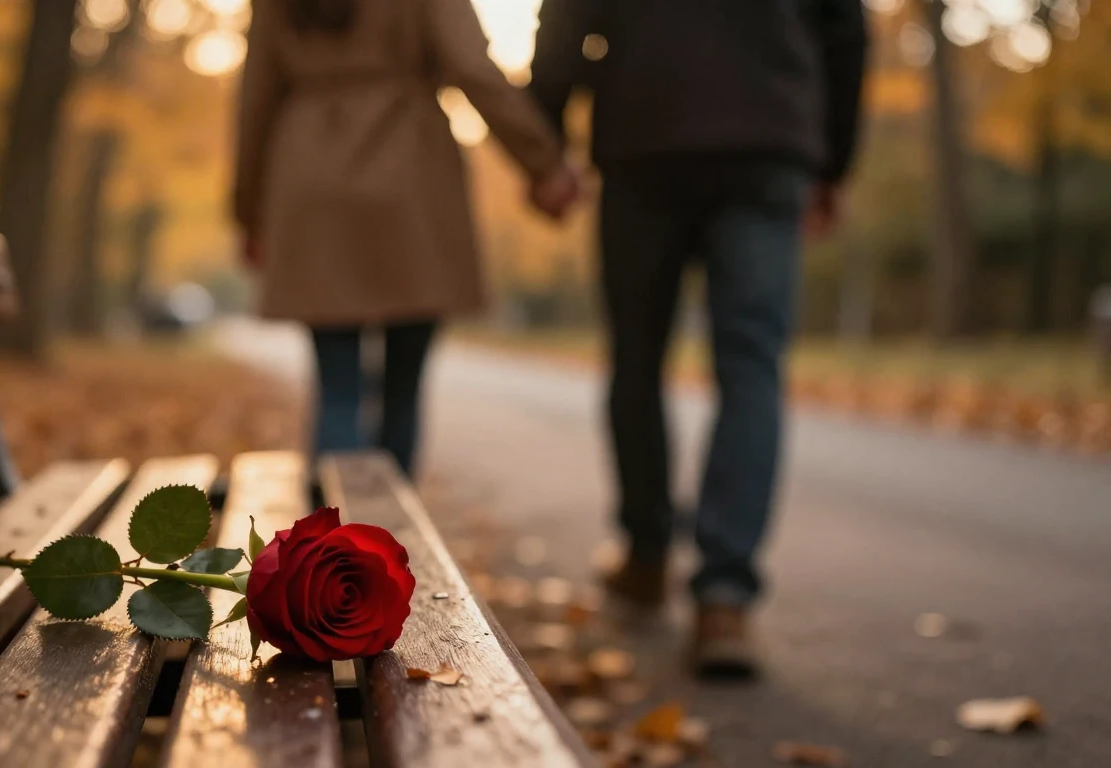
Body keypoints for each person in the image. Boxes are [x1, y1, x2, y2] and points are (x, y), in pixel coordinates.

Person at [528, 0, 868, 677]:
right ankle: (724, 597)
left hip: (646, 129)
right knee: (751, 365)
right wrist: (832, 161)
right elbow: (845, 30)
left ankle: (647, 555)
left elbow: (565, 18)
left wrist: (546, 143)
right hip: (768, 134)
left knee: (636, 356)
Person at [235, 0, 578, 478]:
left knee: (337, 388)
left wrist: (249, 212)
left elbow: (255, 98)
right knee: (403, 388)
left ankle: (333, 523)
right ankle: (388, 522)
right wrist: (543, 162)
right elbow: (474, 69)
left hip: (311, 179)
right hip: (410, 177)